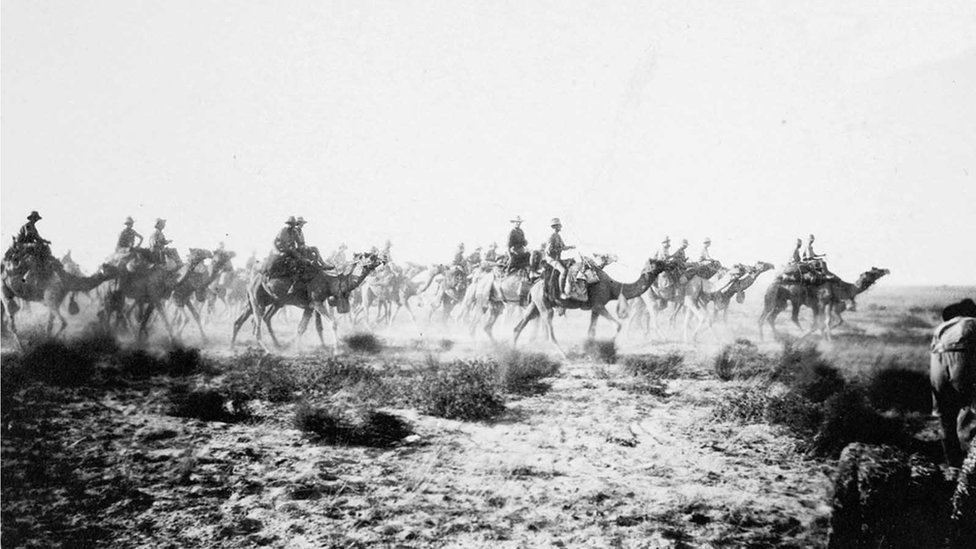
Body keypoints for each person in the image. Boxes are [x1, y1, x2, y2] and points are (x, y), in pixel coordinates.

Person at [931, 298, 976, 467]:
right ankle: (971, 464)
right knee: (971, 408)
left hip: (937, 362)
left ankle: (953, 465)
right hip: (961, 360)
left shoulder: (943, 326)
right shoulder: (973, 322)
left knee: (946, 418)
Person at [545, 218, 575, 298]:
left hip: (557, 259)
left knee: (572, 263)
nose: (560, 227)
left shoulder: (558, 236)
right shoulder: (551, 236)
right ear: (554, 227)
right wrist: (559, 249)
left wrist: (570, 247)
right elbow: (549, 251)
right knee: (563, 271)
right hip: (552, 260)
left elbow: (563, 247)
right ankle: (562, 292)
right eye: (559, 226)